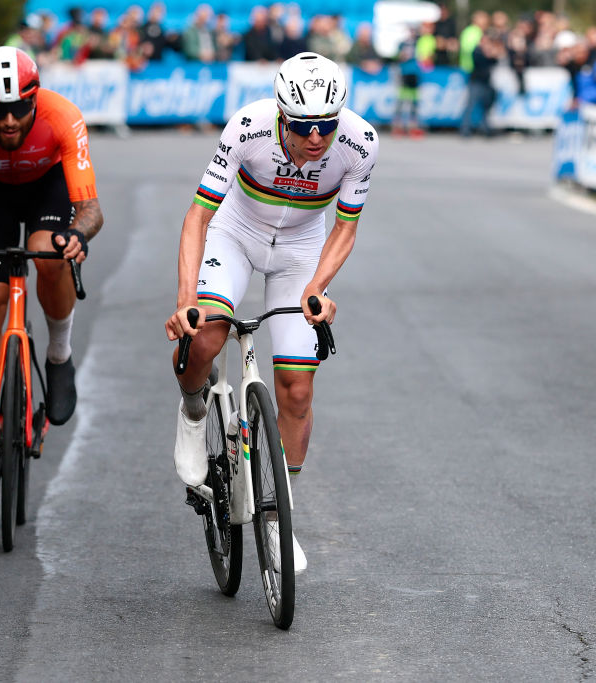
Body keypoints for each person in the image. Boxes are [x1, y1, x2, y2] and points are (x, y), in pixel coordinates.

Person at [165, 52, 379, 574]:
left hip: (302, 248)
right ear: (282, 115)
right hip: (236, 232)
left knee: (297, 389)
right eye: (303, 125)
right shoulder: (247, 127)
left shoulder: (360, 142)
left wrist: (318, 288)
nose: (316, 137)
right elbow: (198, 217)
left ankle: (279, 517)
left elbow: (345, 228)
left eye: (326, 124)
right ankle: (193, 413)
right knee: (206, 334)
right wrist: (185, 300)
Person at [0, 47, 104, 497]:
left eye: (19, 108)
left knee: (48, 255)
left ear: (35, 98)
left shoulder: (63, 116)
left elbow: (91, 209)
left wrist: (77, 234)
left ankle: (59, 354)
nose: (10, 121)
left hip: (46, 191)